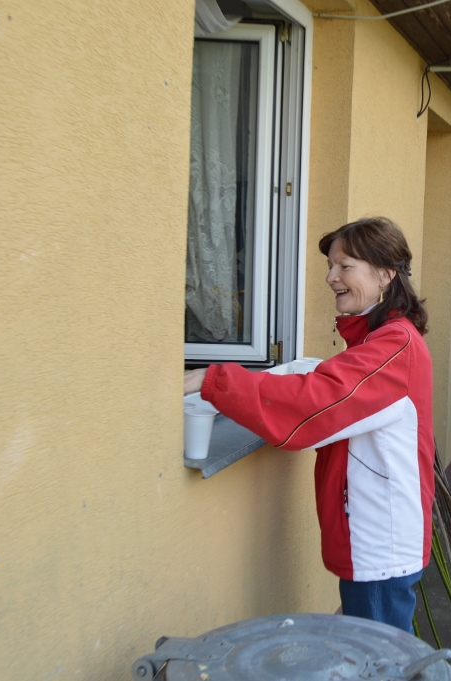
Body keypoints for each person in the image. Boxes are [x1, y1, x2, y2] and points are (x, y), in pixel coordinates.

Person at [183, 217, 434, 634]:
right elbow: (334, 390)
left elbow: (314, 403)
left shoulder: (393, 346)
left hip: (380, 543)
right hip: (375, 539)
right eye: (330, 266)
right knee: (377, 649)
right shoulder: (380, 340)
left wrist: (215, 380)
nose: (331, 277)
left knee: (382, 659)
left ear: (385, 275)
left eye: (345, 266)